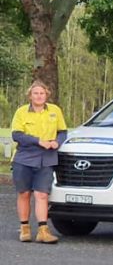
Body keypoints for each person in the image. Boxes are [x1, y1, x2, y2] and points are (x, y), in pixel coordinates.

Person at [11, 81, 68, 243]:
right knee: (24, 193)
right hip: (25, 156)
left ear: (46, 95)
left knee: (42, 194)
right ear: (30, 96)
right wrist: (38, 141)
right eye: (35, 93)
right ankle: (25, 228)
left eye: (42, 93)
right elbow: (17, 135)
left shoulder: (55, 111)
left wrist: (57, 142)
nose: (39, 96)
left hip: (47, 157)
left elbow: (63, 131)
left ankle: (43, 230)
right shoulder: (21, 112)